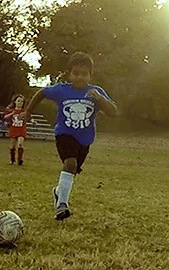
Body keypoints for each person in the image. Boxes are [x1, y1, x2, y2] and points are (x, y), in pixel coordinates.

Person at [23, 52, 118, 221]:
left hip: (85, 139)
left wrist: (100, 99)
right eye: (76, 73)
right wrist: (29, 111)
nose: (80, 77)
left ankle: (58, 192)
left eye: (84, 74)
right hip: (64, 134)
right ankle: (62, 205)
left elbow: (114, 112)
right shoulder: (61, 90)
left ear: (91, 75)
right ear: (69, 73)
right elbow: (41, 93)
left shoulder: (96, 92)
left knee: (72, 170)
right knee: (70, 163)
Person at [3, 94, 28, 165]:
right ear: (15, 102)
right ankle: (12, 160)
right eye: (18, 101)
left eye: (22, 101)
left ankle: (20, 160)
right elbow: (5, 117)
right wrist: (12, 114)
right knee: (12, 146)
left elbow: (29, 117)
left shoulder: (24, 112)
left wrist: (32, 121)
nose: (20, 103)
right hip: (13, 129)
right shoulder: (11, 110)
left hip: (21, 130)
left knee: (20, 144)